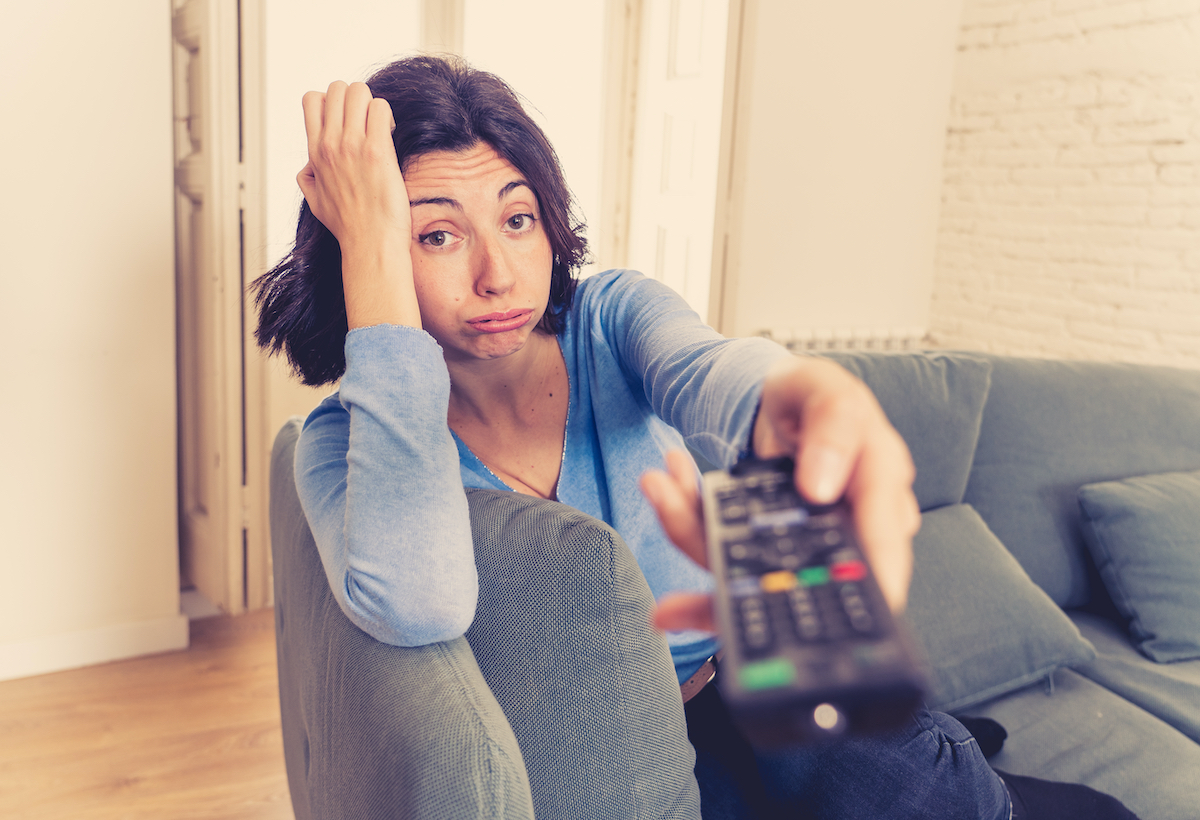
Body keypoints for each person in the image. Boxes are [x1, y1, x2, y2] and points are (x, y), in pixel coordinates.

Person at [253, 54, 1138, 820]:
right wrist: (367, 246)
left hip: (764, 663)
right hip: (639, 749)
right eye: (435, 234)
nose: (498, 272)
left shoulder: (609, 316)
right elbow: (420, 601)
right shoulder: (345, 443)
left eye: (518, 219)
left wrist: (790, 395)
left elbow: (708, 369)